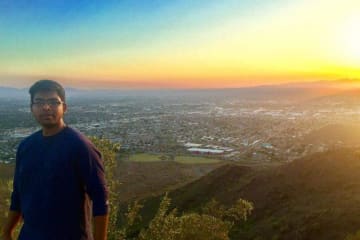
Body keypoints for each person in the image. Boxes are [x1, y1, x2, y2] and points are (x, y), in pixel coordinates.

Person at [0, 80, 109, 240]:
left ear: (64, 107)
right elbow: (18, 194)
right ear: (31, 108)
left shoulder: (80, 147)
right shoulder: (26, 147)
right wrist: (7, 231)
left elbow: (100, 199)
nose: (46, 107)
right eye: (39, 102)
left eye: (53, 102)